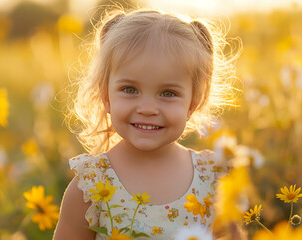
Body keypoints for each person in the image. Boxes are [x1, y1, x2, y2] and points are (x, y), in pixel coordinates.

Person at [53, 7, 241, 240]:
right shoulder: (91, 185)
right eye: (130, 90)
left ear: (193, 102)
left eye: (168, 93)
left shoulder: (212, 178)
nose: (148, 109)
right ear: (106, 96)